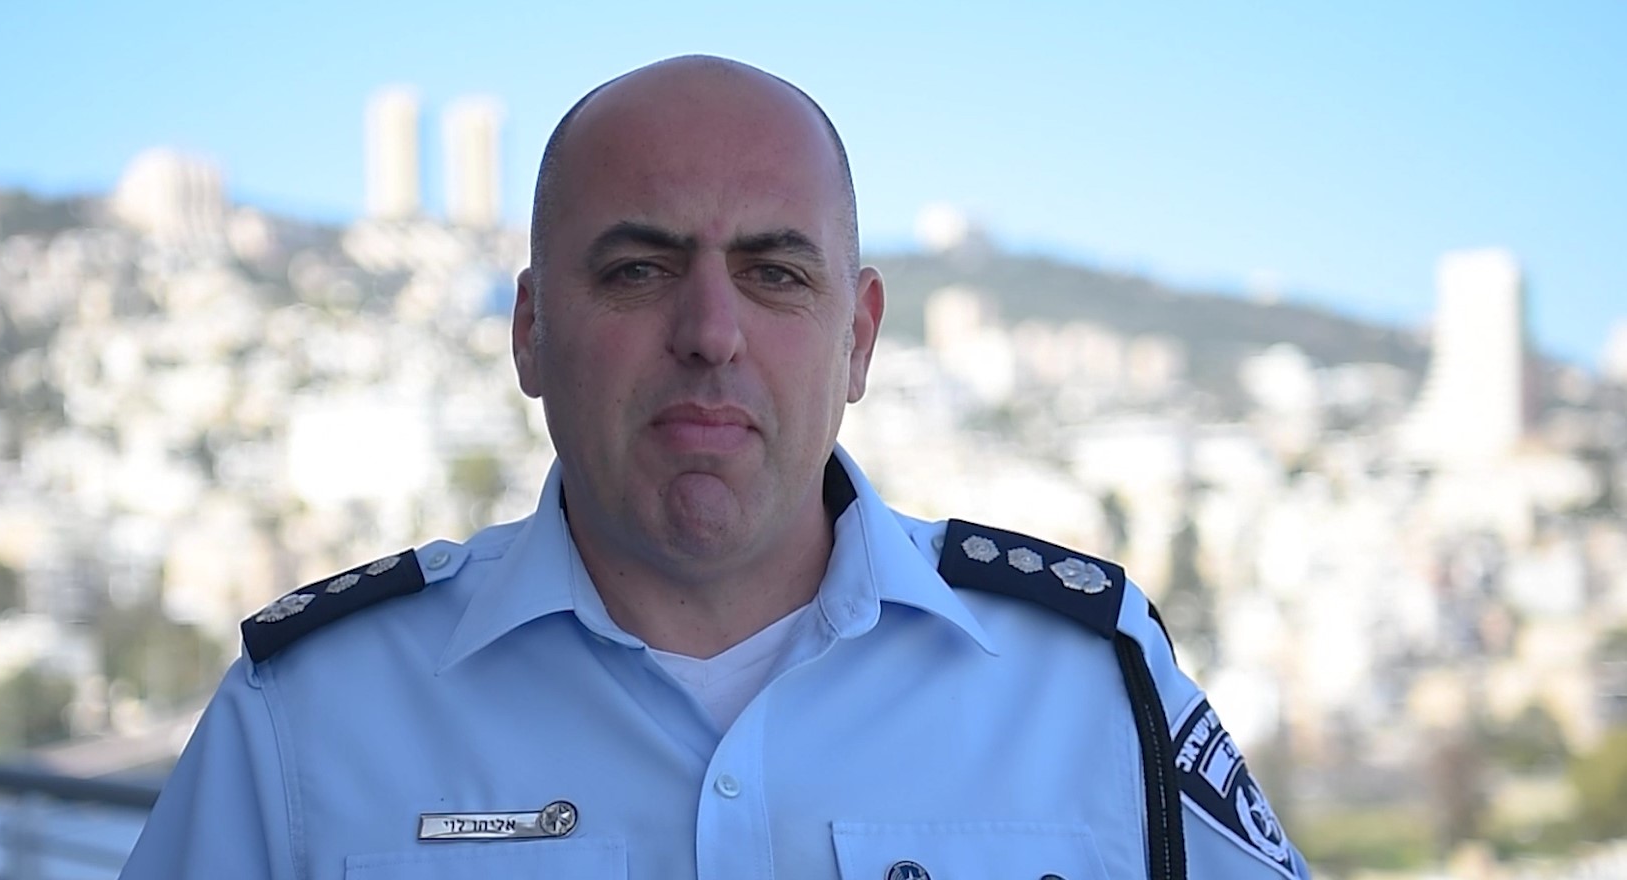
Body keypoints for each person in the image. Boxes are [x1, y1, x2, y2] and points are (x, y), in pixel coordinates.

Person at [120, 55, 1310, 880]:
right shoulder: (307, 721)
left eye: (775, 274)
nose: (709, 331)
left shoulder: (1092, 685)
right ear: (530, 330)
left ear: (859, 339)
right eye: (637, 270)